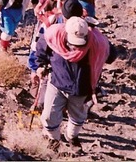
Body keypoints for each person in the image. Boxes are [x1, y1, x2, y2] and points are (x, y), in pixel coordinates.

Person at [36, 15, 116, 150]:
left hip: (81, 88)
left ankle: (71, 136)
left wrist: (99, 36)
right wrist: (40, 65)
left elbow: (111, 56)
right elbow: (42, 48)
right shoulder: (55, 35)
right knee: (49, 116)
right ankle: (54, 139)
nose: (75, 46)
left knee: (78, 117)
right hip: (57, 83)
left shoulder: (97, 42)